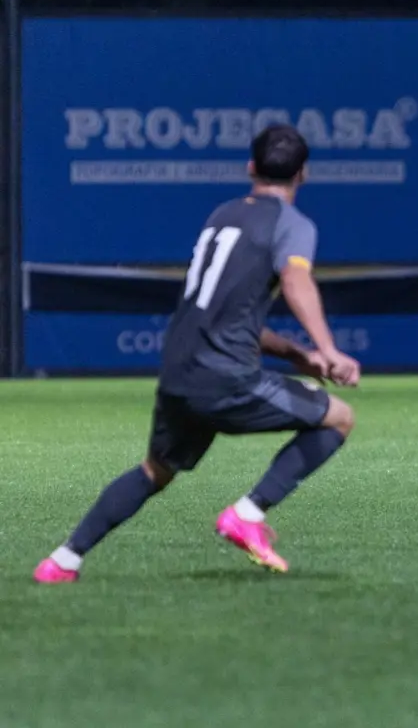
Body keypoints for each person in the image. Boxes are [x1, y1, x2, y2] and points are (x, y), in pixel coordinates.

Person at [33, 124, 361, 583]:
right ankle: (248, 514)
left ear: (250, 167)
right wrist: (328, 349)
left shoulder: (222, 216)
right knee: (339, 417)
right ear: (303, 174)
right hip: (225, 377)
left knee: (156, 470)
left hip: (178, 370)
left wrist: (297, 354)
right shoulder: (291, 225)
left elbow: (225, 312)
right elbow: (295, 280)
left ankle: (63, 561)